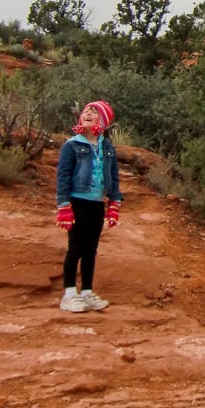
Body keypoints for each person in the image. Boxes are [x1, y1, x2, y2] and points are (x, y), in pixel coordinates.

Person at [55, 99, 122, 312]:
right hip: (77, 201)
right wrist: (64, 205)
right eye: (86, 111)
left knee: (91, 249)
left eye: (94, 112)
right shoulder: (72, 145)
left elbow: (113, 176)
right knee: (75, 247)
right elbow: (63, 176)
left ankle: (86, 292)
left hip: (96, 204)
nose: (88, 114)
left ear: (102, 120)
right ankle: (69, 294)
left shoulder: (107, 148)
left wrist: (114, 202)